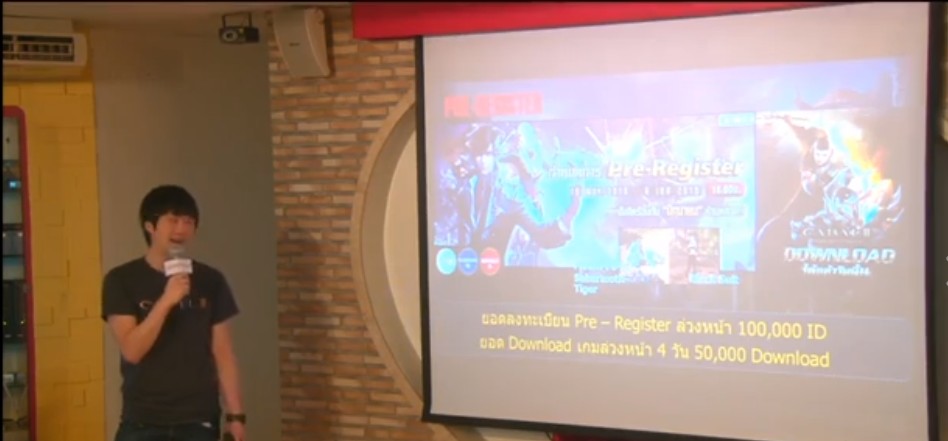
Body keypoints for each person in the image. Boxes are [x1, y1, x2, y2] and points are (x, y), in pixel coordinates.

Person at [101, 185, 246, 441]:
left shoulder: (211, 280)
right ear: (150, 226)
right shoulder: (121, 280)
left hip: (199, 420)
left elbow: (223, 353)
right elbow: (132, 351)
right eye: (173, 220)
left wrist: (236, 417)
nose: (181, 229)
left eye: (188, 221)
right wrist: (166, 301)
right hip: (143, 421)